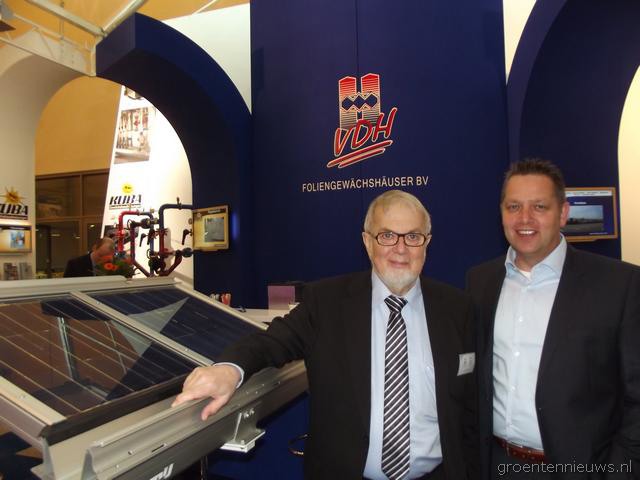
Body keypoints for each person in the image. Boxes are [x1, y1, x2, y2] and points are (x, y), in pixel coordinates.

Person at [173, 190, 478, 479]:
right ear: (367, 242)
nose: (400, 248)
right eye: (387, 236)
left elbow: (471, 406)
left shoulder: (457, 308)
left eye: (412, 236)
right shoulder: (326, 302)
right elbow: (271, 341)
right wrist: (229, 370)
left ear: (426, 243)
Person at [466, 159, 640, 479]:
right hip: (498, 464)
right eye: (514, 206)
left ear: (563, 213)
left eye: (539, 207)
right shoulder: (480, 281)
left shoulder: (620, 285)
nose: (524, 218)